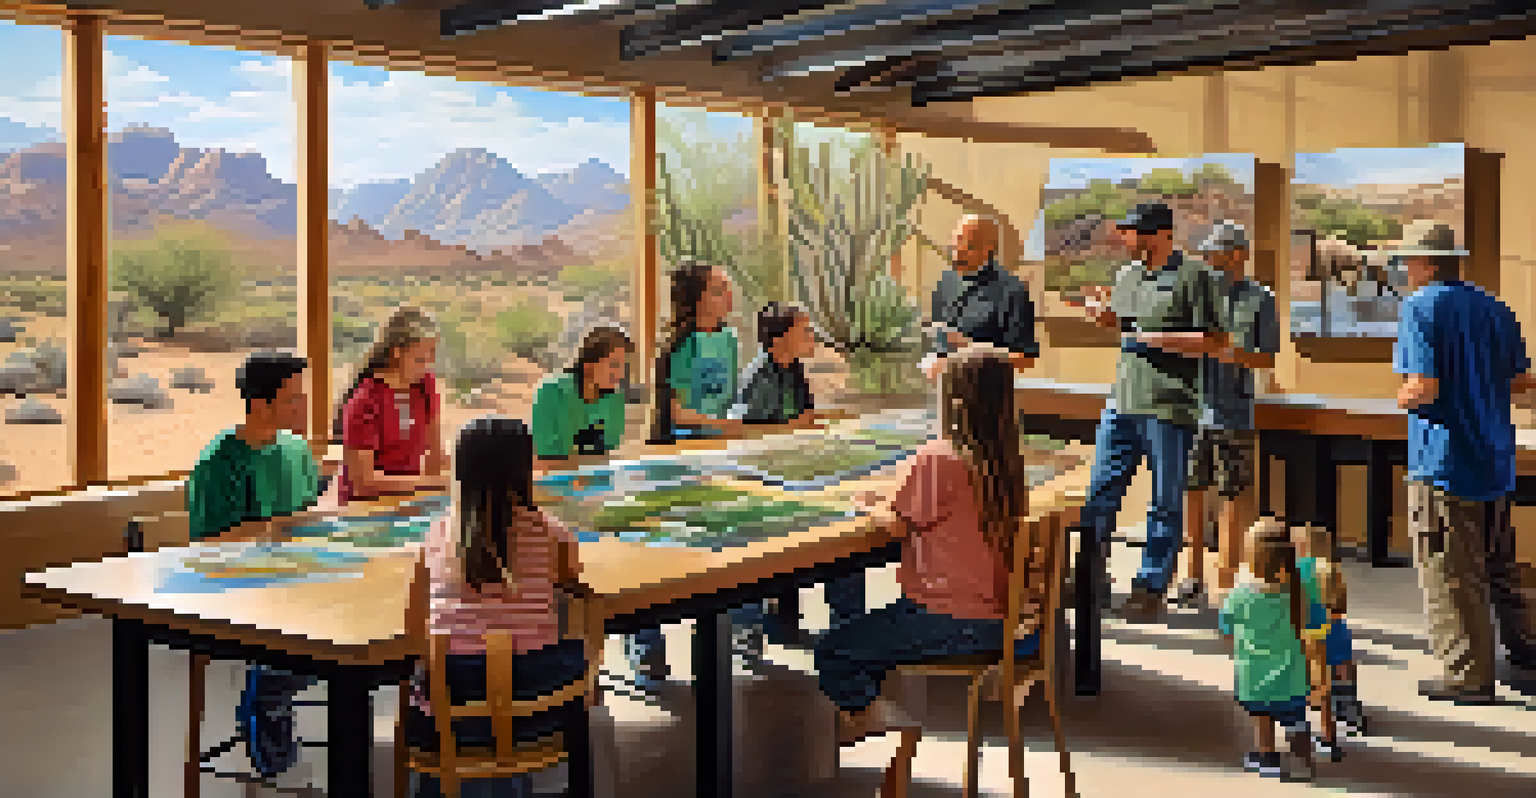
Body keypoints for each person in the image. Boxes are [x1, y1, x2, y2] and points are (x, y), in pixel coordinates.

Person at [815, 345, 1046, 798]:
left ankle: (878, 719)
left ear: (954, 401)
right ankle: (876, 727)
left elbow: (898, 522)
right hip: (1005, 623)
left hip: (949, 620)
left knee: (835, 650)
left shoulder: (940, 457)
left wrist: (860, 505)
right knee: (876, 633)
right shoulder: (1005, 460)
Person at [1073, 201, 1224, 695]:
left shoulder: (1195, 278)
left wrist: (1152, 338)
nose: (1125, 238)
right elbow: (1124, 328)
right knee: (1100, 495)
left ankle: (1151, 586)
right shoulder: (1126, 274)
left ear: (1158, 234)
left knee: (1165, 500)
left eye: (1133, 232)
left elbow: (1214, 340)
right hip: (1121, 402)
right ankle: (1092, 579)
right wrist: (1104, 318)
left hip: (1170, 406)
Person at [402, 416, 591, 798]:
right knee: (564, 647)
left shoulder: (436, 537)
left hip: (452, 714)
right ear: (524, 468)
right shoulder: (551, 533)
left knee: (431, 677)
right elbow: (576, 585)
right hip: (539, 711)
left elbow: (412, 628)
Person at [1391, 222, 1536, 702]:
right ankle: (1526, 657)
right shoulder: (1496, 308)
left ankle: (1468, 675)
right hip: (1494, 455)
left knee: (1450, 570)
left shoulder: (1420, 307)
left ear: (1428, 264)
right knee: (1500, 567)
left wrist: (1403, 396)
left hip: (1445, 460)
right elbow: (1521, 381)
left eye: (1410, 261)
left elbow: (1423, 387)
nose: (1406, 270)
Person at [185, 351, 325, 784]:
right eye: (294, 401)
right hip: (242, 592)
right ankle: (268, 706)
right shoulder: (219, 461)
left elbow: (310, 516)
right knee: (311, 645)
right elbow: (208, 545)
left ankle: (273, 700)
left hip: (301, 581)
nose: (304, 409)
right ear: (261, 405)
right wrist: (277, 526)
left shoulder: (297, 450)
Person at [632, 259, 749, 686]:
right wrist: (722, 427)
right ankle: (644, 646)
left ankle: (736, 631)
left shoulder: (732, 340)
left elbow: (729, 396)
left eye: (728, 288)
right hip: (677, 455)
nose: (728, 296)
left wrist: (732, 429)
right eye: (719, 289)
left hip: (719, 454)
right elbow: (677, 409)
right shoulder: (679, 345)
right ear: (698, 298)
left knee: (724, 545)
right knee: (658, 550)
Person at [730, 303, 859, 637]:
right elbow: (747, 431)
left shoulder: (794, 368)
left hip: (795, 470)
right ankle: (765, 628)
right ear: (779, 339)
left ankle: (838, 624)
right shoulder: (760, 374)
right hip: (764, 480)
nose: (811, 336)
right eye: (804, 330)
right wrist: (794, 425)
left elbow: (803, 419)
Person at [1175, 221, 1279, 607]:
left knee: (1232, 494)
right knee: (1192, 489)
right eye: (1206, 253)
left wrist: (1229, 353)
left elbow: (1267, 357)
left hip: (1233, 411)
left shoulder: (1261, 298)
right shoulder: (1193, 295)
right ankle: (1192, 575)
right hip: (1189, 407)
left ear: (1238, 254)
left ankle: (1226, 579)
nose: (1208, 259)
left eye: (1215, 253)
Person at [1220, 516, 1315, 782]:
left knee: (1262, 716)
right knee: (1296, 719)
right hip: (1292, 674)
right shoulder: (1300, 589)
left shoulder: (1240, 594)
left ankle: (1267, 758)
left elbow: (1226, 626)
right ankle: (1303, 762)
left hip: (1254, 672)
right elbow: (1313, 620)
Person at [333, 306, 449, 504]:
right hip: (364, 508)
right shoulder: (365, 401)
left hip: (409, 501)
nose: (429, 363)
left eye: (433, 354)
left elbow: (435, 456)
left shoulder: (425, 386)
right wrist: (431, 483)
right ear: (397, 353)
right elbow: (363, 484)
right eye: (421, 357)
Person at [920, 214, 1039, 382]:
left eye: (966, 245)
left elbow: (1025, 358)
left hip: (987, 396)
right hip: (944, 392)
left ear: (988, 248)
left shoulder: (1012, 291)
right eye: (954, 245)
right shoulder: (944, 284)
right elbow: (937, 343)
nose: (957, 252)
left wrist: (974, 351)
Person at [1293, 522, 1367, 751]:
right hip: (1334, 627)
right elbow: (1340, 605)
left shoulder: (1297, 570)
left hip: (1310, 632)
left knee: (1314, 668)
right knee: (1345, 663)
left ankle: (1315, 707)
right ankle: (1349, 707)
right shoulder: (1332, 569)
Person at [532, 324, 634, 460]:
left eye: (624, 366)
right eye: (614, 365)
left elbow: (606, 456)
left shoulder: (615, 400)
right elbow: (544, 462)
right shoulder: (550, 393)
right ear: (588, 365)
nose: (621, 374)